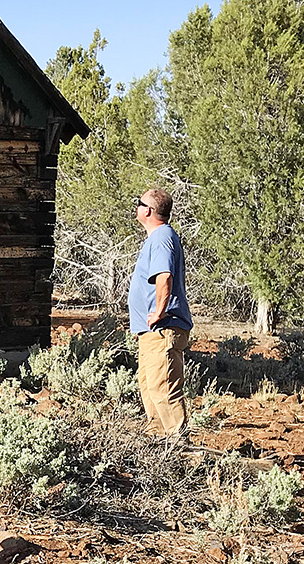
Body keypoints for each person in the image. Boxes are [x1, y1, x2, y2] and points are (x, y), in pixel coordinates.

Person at [127, 187, 193, 438]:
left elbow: (164, 276)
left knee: (163, 390)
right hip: (151, 332)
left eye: (139, 202)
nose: (137, 207)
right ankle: (159, 448)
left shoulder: (162, 237)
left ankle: (181, 450)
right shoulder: (157, 238)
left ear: (149, 210)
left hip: (162, 328)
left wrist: (158, 311)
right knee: (150, 387)